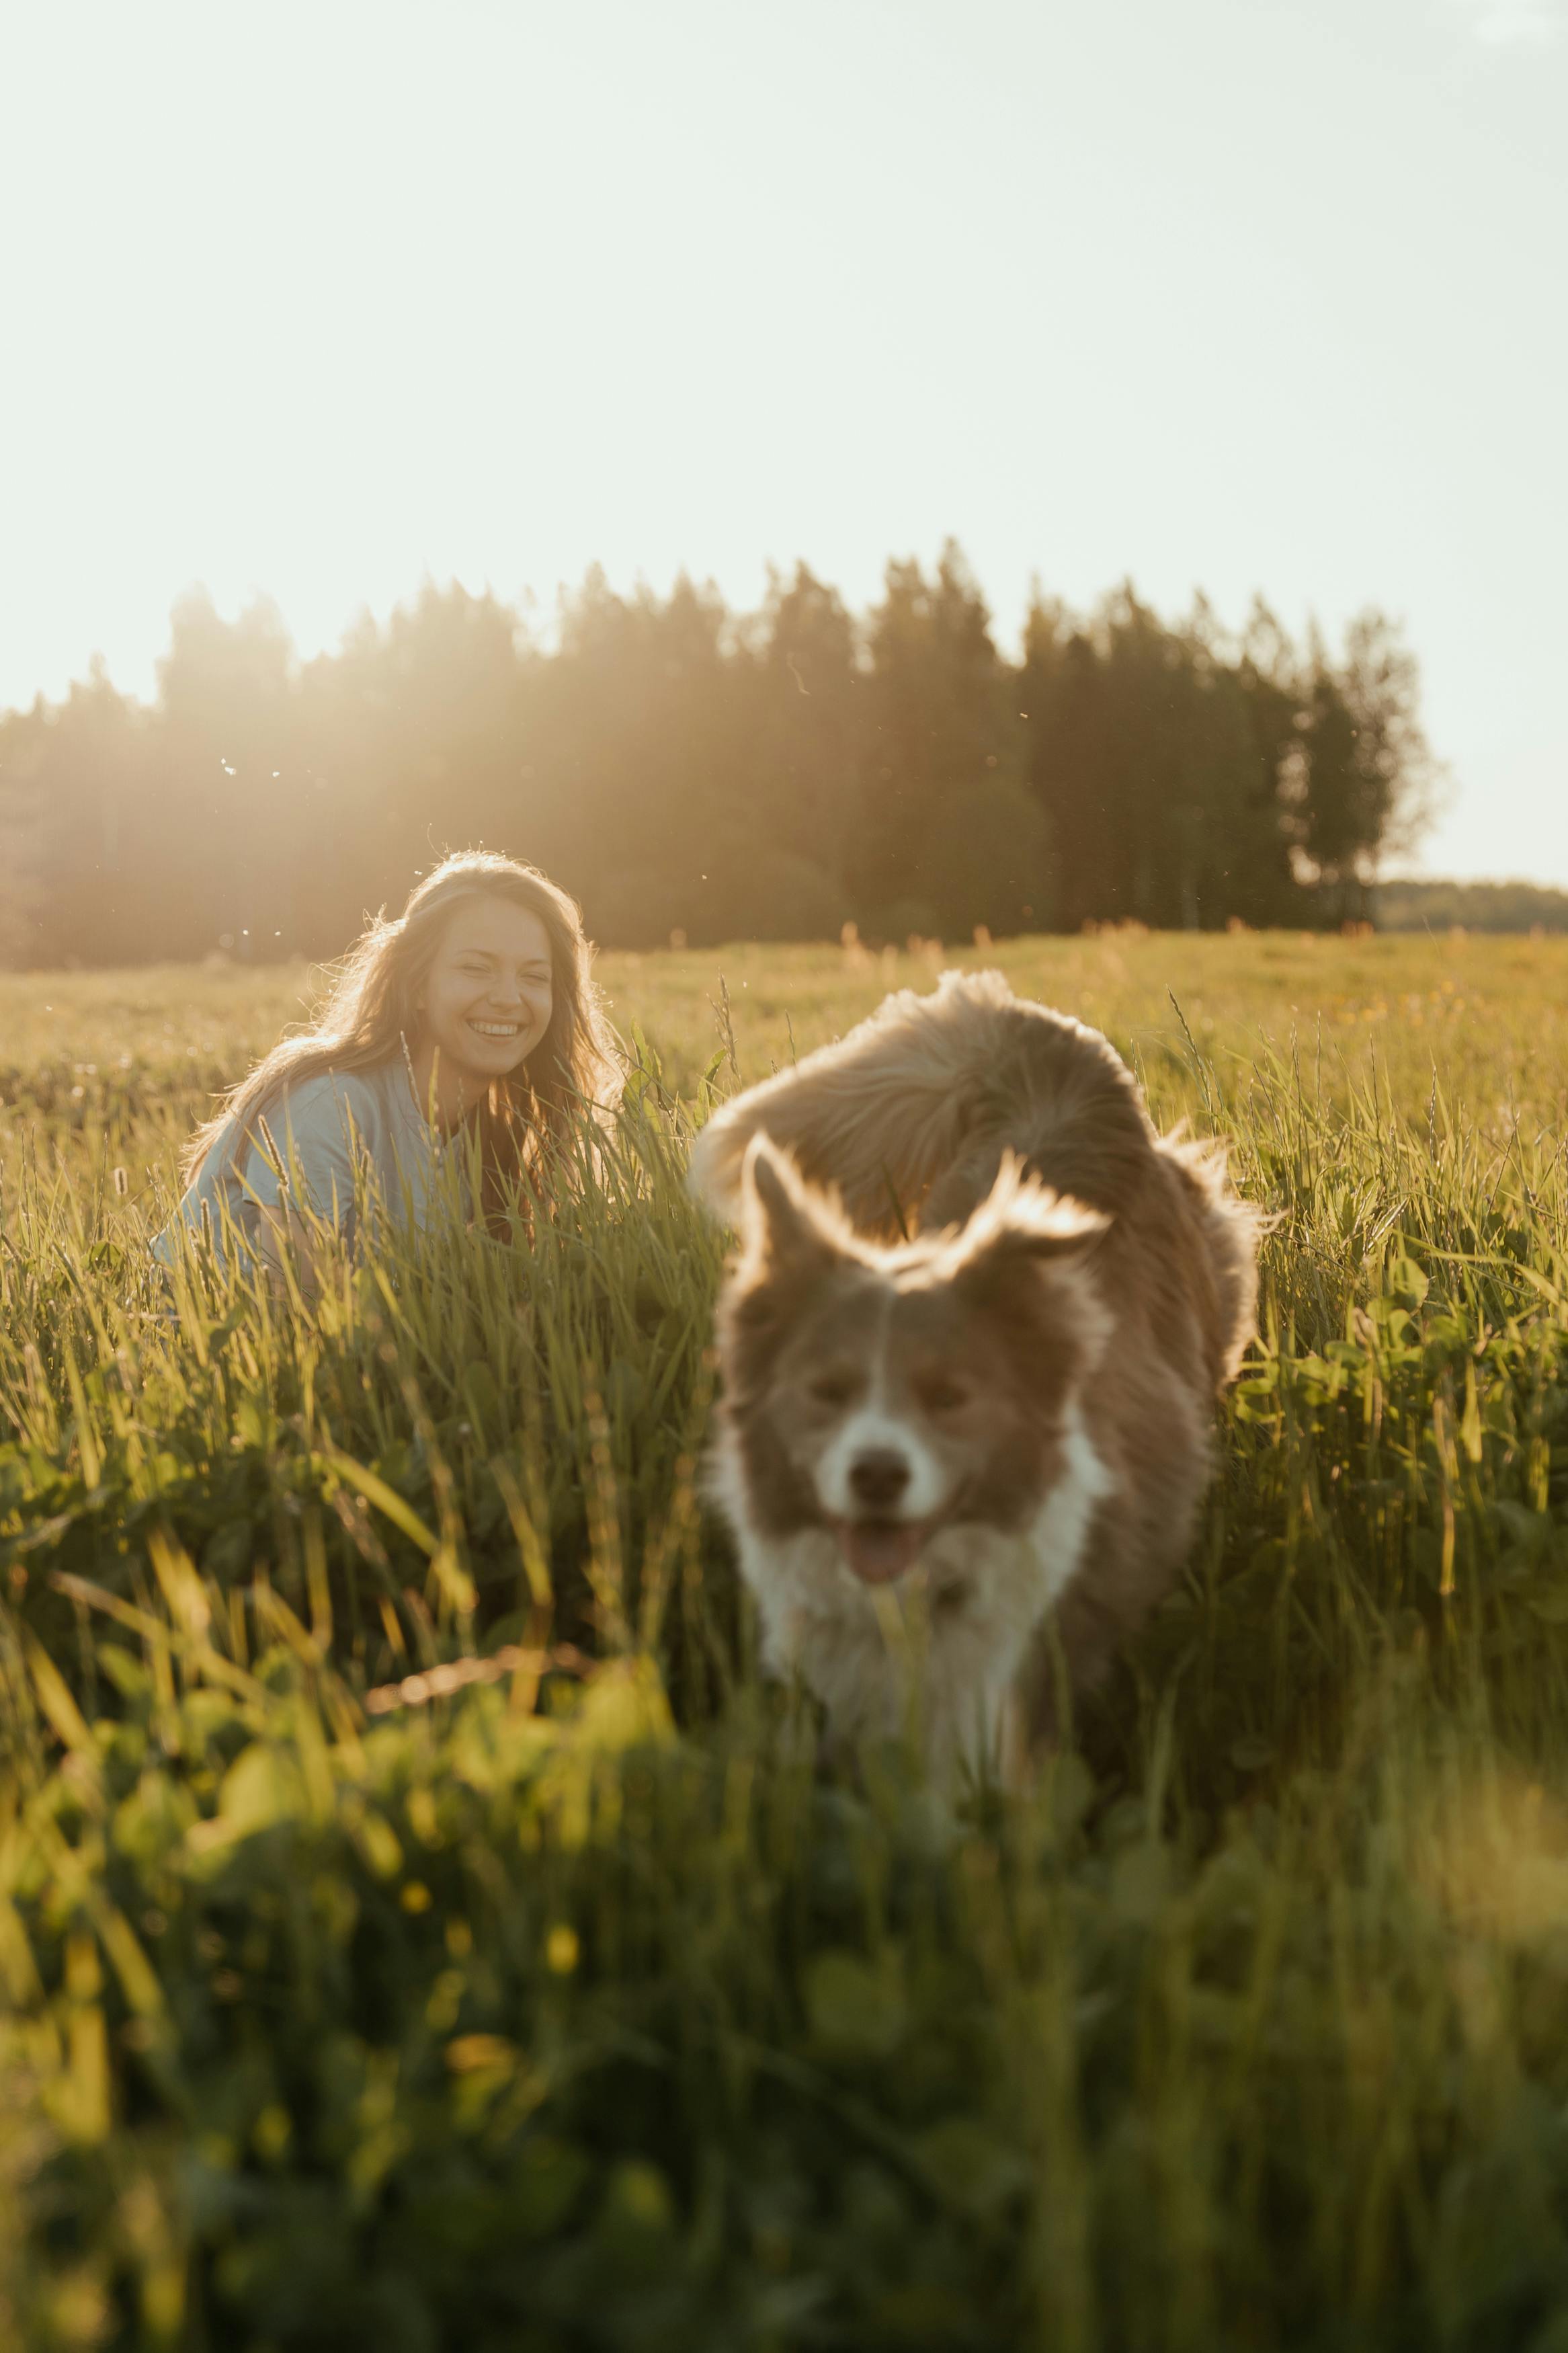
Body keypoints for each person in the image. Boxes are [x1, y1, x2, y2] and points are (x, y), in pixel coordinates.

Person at [155, 851, 621, 1281]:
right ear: (417, 985)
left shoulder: (496, 1139)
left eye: (534, 977)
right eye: (476, 968)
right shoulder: (332, 1105)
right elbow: (294, 1308)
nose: (507, 997)